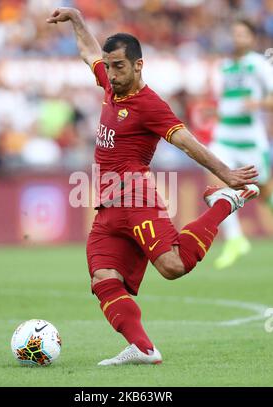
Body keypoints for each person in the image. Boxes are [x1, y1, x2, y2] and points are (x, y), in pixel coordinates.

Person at [47, 8, 259, 366]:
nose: (111, 75)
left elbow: (187, 142)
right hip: (107, 206)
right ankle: (144, 349)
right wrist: (77, 19)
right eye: (110, 67)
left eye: (119, 67)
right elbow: (88, 53)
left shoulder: (150, 105)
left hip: (136, 198)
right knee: (103, 278)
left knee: (172, 266)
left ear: (138, 65)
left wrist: (226, 174)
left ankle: (223, 203)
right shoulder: (110, 85)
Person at [208, 19, 273, 269]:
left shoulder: (258, 64)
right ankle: (234, 239)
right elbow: (222, 100)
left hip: (250, 140)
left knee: (265, 191)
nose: (237, 38)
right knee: (214, 179)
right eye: (234, 33)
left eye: (242, 34)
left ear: (252, 39)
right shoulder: (223, 67)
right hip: (224, 136)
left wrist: (257, 104)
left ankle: (237, 239)